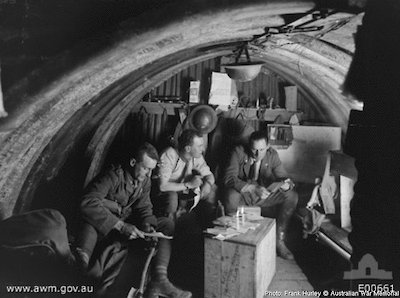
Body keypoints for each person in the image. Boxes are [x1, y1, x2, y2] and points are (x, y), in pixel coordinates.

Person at [76, 142, 191, 297]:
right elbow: (87, 202)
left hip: (125, 221)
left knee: (166, 224)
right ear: (132, 162)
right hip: (105, 224)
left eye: (151, 169)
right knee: (89, 224)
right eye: (145, 168)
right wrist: (121, 226)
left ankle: (159, 279)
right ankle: (80, 271)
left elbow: (144, 207)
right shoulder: (113, 176)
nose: (149, 173)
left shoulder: (144, 180)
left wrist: (147, 225)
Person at [222, 130, 298, 260]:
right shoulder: (238, 151)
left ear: (268, 146)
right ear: (248, 146)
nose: (258, 154)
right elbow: (229, 178)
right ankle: (234, 242)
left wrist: (286, 184)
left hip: (263, 195)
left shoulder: (272, 155)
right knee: (230, 196)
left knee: (291, 196)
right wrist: (252, 188)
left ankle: (279, 240)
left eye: (262, 150)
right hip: (243, 194)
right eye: (254, 150)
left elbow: (285, 177)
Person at [154, 129, 217, 227]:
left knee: (212, 189)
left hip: (182, 191)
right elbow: (162, 186)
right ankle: (170, 230)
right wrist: (189, 185)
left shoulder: (196, 156)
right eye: (199, 146)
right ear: (188, 148)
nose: (203, 149)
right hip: (162, 193)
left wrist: (208, 184)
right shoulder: (169, 154)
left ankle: (209, 228)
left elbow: (209, 175)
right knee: (172, 197)